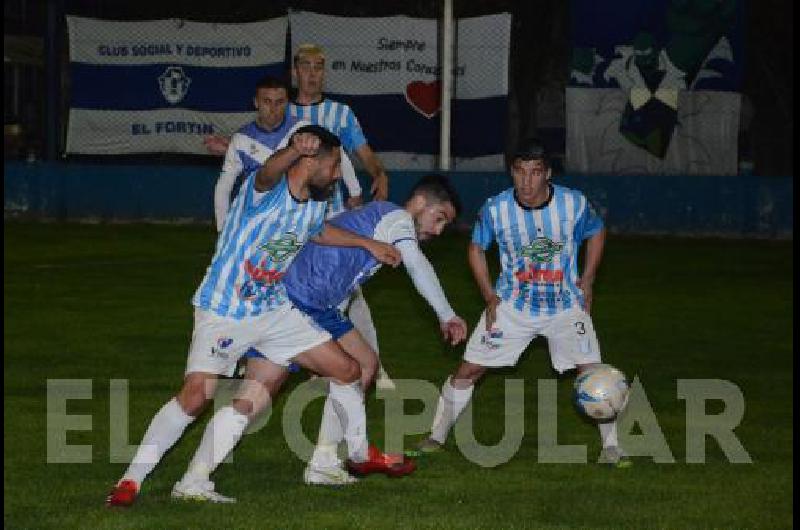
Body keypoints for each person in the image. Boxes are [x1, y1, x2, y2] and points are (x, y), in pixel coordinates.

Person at [106, 125, 401, 507]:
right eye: (332, 167)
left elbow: (319, 232)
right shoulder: (263, 190)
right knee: (196, 397)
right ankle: (131, 480)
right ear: (309, 160)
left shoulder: (316, 203)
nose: (336, 176)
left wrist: (367, 243)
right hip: (224, 310)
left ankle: (357, 454)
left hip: (274, 310)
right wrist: (293, 149)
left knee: (346, 370)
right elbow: (266, 172)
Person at [415, 138, 631, 468]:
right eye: (519, 172)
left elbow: (596, 231)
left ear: (548, 175)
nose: (526, 181)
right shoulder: (496, 208)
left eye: (535, 172)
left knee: (592, 373)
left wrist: (587, 280)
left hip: (564, 306)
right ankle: (436, 435)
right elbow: (475, 249)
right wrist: (489, 296)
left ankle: (612, 448)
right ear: (511, 172)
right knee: (469, 369)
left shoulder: (573, 204)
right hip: (513, 305)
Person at [264, 174, 468, 485]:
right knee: (256, 394)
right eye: (438, 219)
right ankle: (335, 459)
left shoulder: (376, 218)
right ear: (420, 203)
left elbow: (340, 275)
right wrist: (447, 314)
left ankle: (325, 461)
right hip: (299, 301)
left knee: (363, 366)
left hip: (316, 305)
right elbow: (416, 264)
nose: (438, 230)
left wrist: (328, 337)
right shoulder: (397, 218)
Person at [209, 75, 361, 232]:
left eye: (279, 102)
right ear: (256, 102)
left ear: (287, 103)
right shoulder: (241, 139)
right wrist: (223, 229)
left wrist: (355, 192)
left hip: (299, 220)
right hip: (260, 223)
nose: (273, 109)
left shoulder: (304, 129)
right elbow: (224, 186)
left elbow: (338, 154)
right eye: (267, 102)